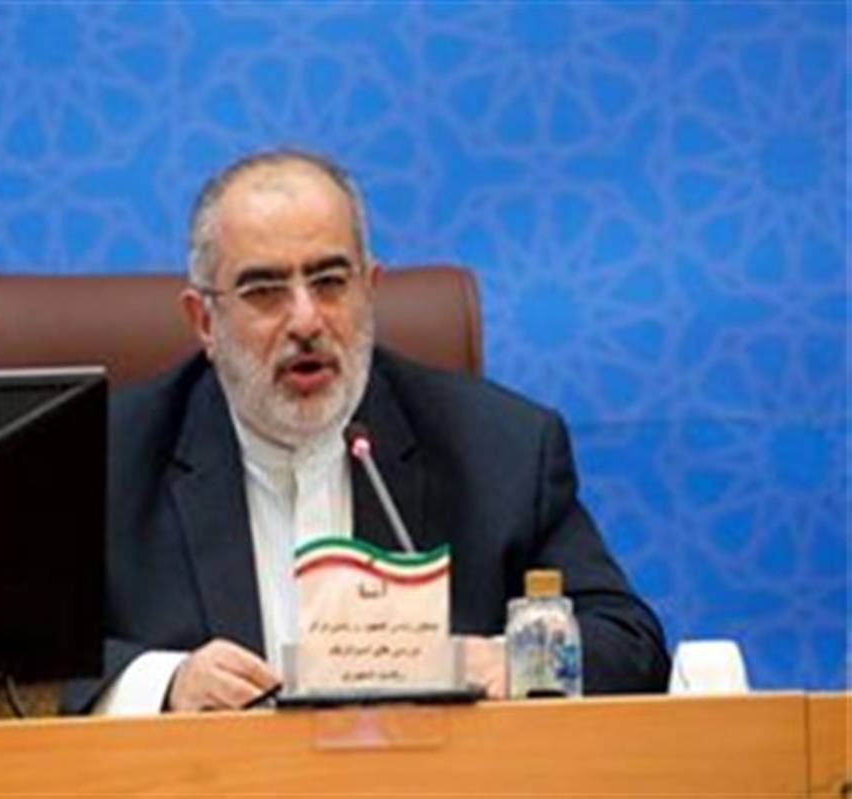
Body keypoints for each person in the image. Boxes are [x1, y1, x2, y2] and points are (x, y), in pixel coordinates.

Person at [61, 150, 669, 714]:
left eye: (330, 282)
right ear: (204, 321)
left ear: (370, 291)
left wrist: (511, 662)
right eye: (265, 291)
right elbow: (11, 666)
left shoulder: (501, 448)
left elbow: (630, 647)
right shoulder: (98, 461)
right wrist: (165, 682)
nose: (306, 320)